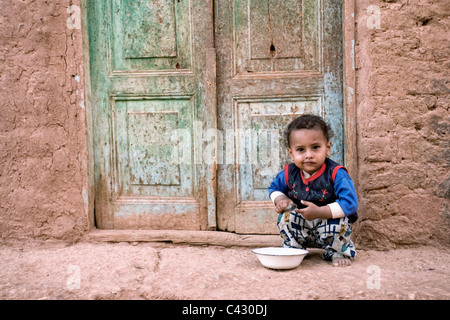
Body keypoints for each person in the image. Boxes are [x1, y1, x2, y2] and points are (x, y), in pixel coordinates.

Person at [268, 114, 358, 267]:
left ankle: (337, 251)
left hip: (328, 225)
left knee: (341, 221)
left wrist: (320, 212)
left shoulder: (336, 173)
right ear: (291, 153)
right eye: (301, 149)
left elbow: (350, 203)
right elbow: (274, 188)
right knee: (286, 217)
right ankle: (294, 249)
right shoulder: (289, 173)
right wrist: (280, 199)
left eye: (315, 147)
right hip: (302, 226)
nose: (309, 155)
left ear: (328, 148)